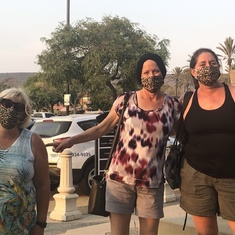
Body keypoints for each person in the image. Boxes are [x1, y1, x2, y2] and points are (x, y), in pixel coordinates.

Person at [50, 53, 181, 235]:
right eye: (146, 72)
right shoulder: (125, 100)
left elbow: (179, 133)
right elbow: (101, 129)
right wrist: (70, 141)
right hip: (120, 180)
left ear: (163, 72)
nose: (152, 76)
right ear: (140, 76)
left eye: (156, 71)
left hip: (152, 182)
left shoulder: (172, 105)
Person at [180, 48, 235, 235]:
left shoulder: (234, 93)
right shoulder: (186, 100)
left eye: (212, 63)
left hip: (232, 174)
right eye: (202, 64)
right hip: (197, 174)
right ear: (193, 72)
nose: (208, 67)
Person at [0, 88, 50, 234]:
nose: (11, 109)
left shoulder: (33, 141)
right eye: (6, 103)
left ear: (25, 113)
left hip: (22, 227)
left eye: (19, 107)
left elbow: (43, 185)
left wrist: (41, 224)